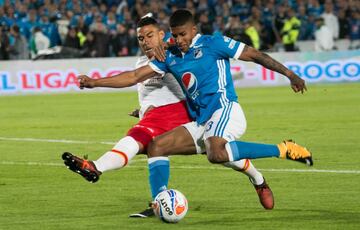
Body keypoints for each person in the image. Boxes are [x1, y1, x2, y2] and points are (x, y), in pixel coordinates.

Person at [72, 8, 313, 214]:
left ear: (194, 30)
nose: (180, 40)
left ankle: (283, 149)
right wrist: (95, 82)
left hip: (225, 108)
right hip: (201, 118)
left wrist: (290, 74)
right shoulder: (170, 56)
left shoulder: (213, 43)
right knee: (157, 146)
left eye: (183, 34)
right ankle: (160, 202)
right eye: (175, 36)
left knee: (216, 152)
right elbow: (135, 76)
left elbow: (254, 54)